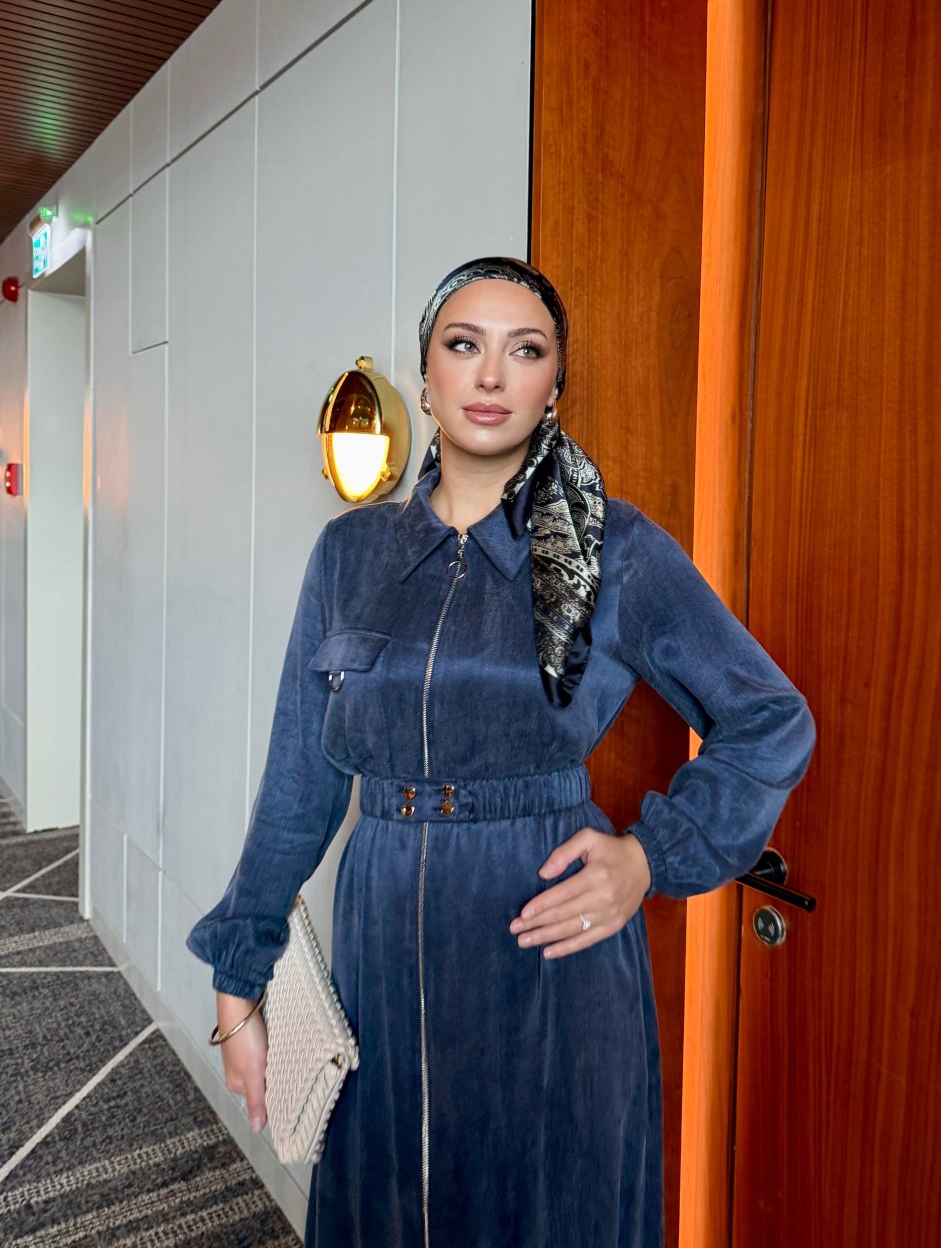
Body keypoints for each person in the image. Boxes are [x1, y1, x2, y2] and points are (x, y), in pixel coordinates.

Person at [187, 257, 815, 1247]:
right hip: (381, 945)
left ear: (553, 386)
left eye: (524, 351)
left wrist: (651, 855)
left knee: (548, 1208)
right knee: (389, 1204)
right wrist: (238, 967)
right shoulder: (349, 555)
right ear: (426, 373)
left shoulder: (616, 550)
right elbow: (301, 781)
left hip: (549, 947)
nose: (489, 375)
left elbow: (770, 718)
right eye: (463, 345)